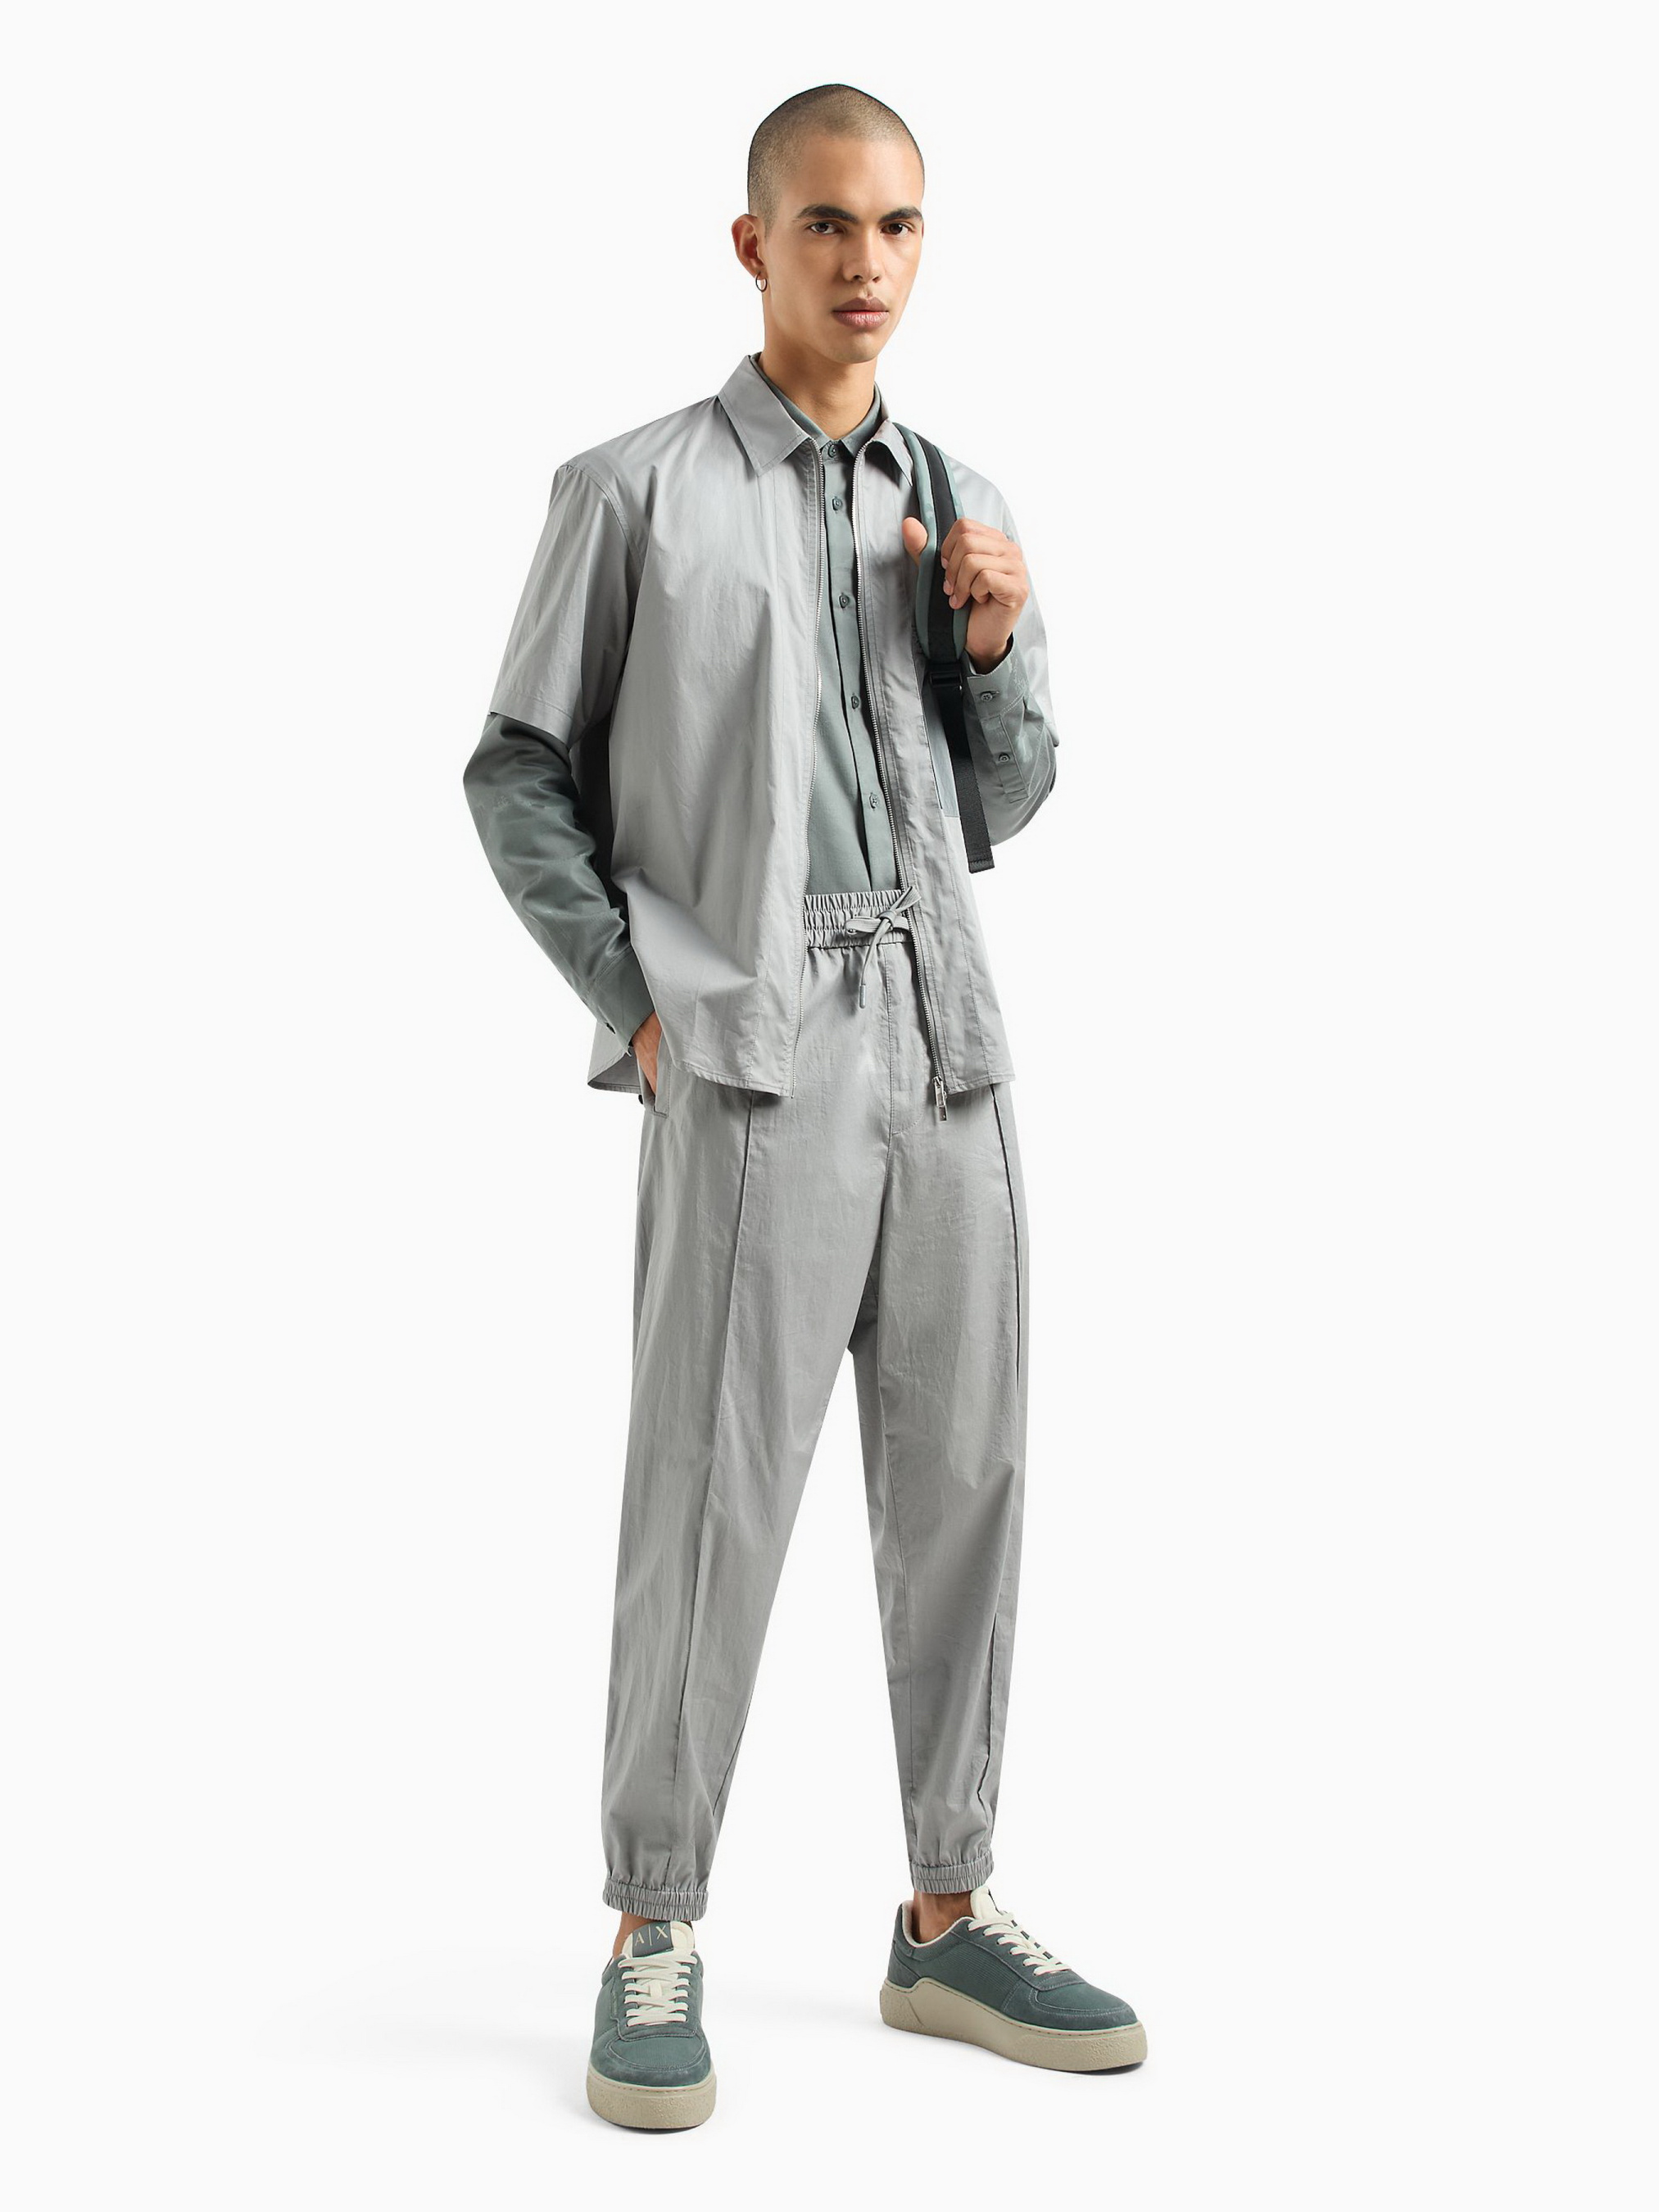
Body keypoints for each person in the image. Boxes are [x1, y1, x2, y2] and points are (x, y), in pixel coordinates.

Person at [462, 81, 1145, 2132]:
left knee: (967, 1482)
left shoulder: (954, 497)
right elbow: (516, 774)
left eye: (899, 225)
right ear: (752, 242)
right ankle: (650, 1921)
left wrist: (995, 650)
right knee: (708, 1492)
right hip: (750, 1047)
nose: (866, 262)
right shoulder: (632, 494)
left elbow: (1003, 800)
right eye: (828, 223)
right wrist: (637, 1000)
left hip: (947, 1039)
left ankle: (945, 1910)